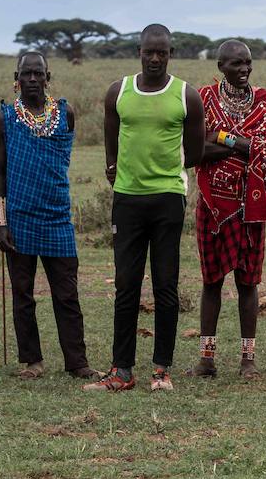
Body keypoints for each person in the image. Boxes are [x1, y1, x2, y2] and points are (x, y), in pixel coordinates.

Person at [85, 24, 206, 392]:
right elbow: (110, 138)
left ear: (171, 54)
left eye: (162, 53)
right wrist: (114, 168)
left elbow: (196, 152)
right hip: (127, 199)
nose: (155, 59)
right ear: (138, 51)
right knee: (126, 285)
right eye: (149, 52)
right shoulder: (118, 91)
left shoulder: (186, 95)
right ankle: (122, 371)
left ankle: (161, 371)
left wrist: (166, 173)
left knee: (166, 285)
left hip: (168, 198)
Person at [0, 51, 98, 381]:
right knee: (23, 294)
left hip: (57, 217)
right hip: (19, 217)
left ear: (48, 77)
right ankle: (32, 361)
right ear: (17, 78)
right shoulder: (5, 119)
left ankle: (77, 362)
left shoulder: (66, 114)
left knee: (67, 293)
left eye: (38, 73)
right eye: (27, 74)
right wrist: (0, 222)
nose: (33, 79)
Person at [185, 41, 266, 380]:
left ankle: (247, 360)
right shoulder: (204, 98)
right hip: (213, 206)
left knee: (248, 283)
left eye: (248, 63)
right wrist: (244, 146)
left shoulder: (264, 100)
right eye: (236, 64)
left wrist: (223, 138)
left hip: (250, 206)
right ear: (221, 67)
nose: (244, 69)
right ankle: (206, 359)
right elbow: (194, 150)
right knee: (211, 281)